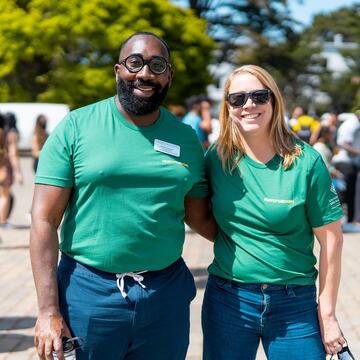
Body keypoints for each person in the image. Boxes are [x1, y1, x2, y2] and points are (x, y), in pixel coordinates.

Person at [30, 32, 217, 360]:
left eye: (157, 65)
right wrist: (48, 311)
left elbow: (199, 216)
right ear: (118, 70)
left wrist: (262, 239)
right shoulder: (76, 127)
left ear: (169, 75)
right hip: (87, 295)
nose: (145, 73)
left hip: (164, 296)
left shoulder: (185, 138)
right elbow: (44, 219)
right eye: (135, 63)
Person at [202, 64, 345, 359]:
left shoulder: (307, 162)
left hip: (294, 304)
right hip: (229, 300)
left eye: (259, 96)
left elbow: (332, 241)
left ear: (274, 101)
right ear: (227, 107)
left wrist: (328, 315)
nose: (249, 105)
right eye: (238, 98)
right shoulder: (216, 159)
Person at [0, 112, 23, 227]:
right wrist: (18, 172)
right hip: (5, 168)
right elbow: (13, 154)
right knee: (5, 195)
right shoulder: (11, 134)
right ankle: (3, 222)